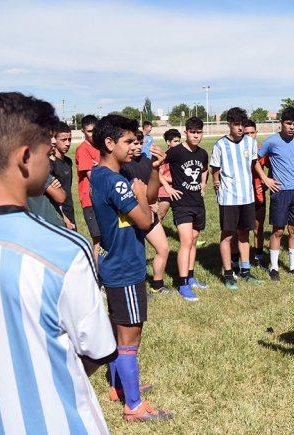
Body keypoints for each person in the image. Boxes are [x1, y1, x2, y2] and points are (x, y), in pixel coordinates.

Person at [0, 91, 117, 433]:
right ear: (25, 157)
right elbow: (97, 349)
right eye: (48, 153)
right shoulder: (65, 250)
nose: (51, 165)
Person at [90, 114, 172, 422]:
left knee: (118, 332)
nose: (132, 146)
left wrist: (152, 173)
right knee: (129, 337)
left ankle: (119, 387)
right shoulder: (113, 180)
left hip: (117, 264)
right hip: (125, 267)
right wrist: (138, 198)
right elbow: (145, 218)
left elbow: (148, 196)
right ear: (109, 143)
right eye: (127, 141)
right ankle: (134, 405)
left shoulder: (102, 174)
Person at [211, 107, 262, 289]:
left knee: (244, 234)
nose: (240, 128)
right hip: (228, 199)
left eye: (243, 124)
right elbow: (215, 170)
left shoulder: (250, 143)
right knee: (227, 235)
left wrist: (264, 178)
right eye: (237, 124)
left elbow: (254, 164)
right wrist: (217, 185)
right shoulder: (220, 145)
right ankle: (228, 274)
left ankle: (246, 271)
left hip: (247, 197)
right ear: (229, 125)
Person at [256, 107, 294, 280]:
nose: (292, 127)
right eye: (288, 123)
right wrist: (265, 179)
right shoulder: (271, 142)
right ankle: (274, 267)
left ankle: (293, 267)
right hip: (280, 192)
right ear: (281, 123)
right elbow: (255, 160)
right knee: (278, 231)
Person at [120, 130, 171, 295]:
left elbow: (151, 189)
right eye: (133, 143)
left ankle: (157, 284)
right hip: (131, 214)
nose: (138, 146)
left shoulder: (146, 160)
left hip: (149, 212)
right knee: (134, 254)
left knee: (163, 248)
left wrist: (153, 201)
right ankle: (133, 288)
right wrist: (147, 203)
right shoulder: (122, 164)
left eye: (140, 142)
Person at [166, 117, 209, 301]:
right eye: (193, 132)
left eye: (199, 132)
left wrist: (204, 183)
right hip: (181, 204)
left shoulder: (202, 153)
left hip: (197, 203)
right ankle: (182, 284)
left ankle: (190, 277)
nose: (196, 135)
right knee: (185, 241)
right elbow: (156, 168)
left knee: (193, 239)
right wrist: (167, 187)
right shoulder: (176, 152)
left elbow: (205, 169)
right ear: (186, 133)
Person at [75, 115, 102, 264]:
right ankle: (98, 278)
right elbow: (94, 178)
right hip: (90, 201)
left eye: (95, 130)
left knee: (109, 239)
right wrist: (99, 169)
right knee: (98, 240)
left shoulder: (101, 147)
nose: (93, 134)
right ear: (83, 131)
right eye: (89, 131)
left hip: (103, 199)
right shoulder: (82, 149)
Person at [245, 119, 269, 268]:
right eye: (246, 133)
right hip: (241, 196)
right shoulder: (237, 150)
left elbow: (273, 170)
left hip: (258, 195)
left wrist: (265, 185)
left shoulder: (262, 151)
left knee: (258, 228)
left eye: (252, 133)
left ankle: (259, 257)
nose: (249, 136)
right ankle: (241, 260)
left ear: (256, 133)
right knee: (241, 230)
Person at [50, 121, 76, 229]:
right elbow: (51, 197)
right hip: (59, 217)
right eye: (63, 140)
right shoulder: (50, 164)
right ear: (54, 140)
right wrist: (64, 219)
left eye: (69, 139)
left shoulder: (68, 162)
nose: (68, 143)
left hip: (70, 211)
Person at [156, 128, 181, 221]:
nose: (178, 143)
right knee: (160, 215)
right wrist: (173, 180)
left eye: (179, 141)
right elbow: (159, 175)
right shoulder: (165, 157)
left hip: (177, 189)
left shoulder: (179, 156)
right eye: (175, 141)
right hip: (164, 191)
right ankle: (149, 233)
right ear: (168, 142)